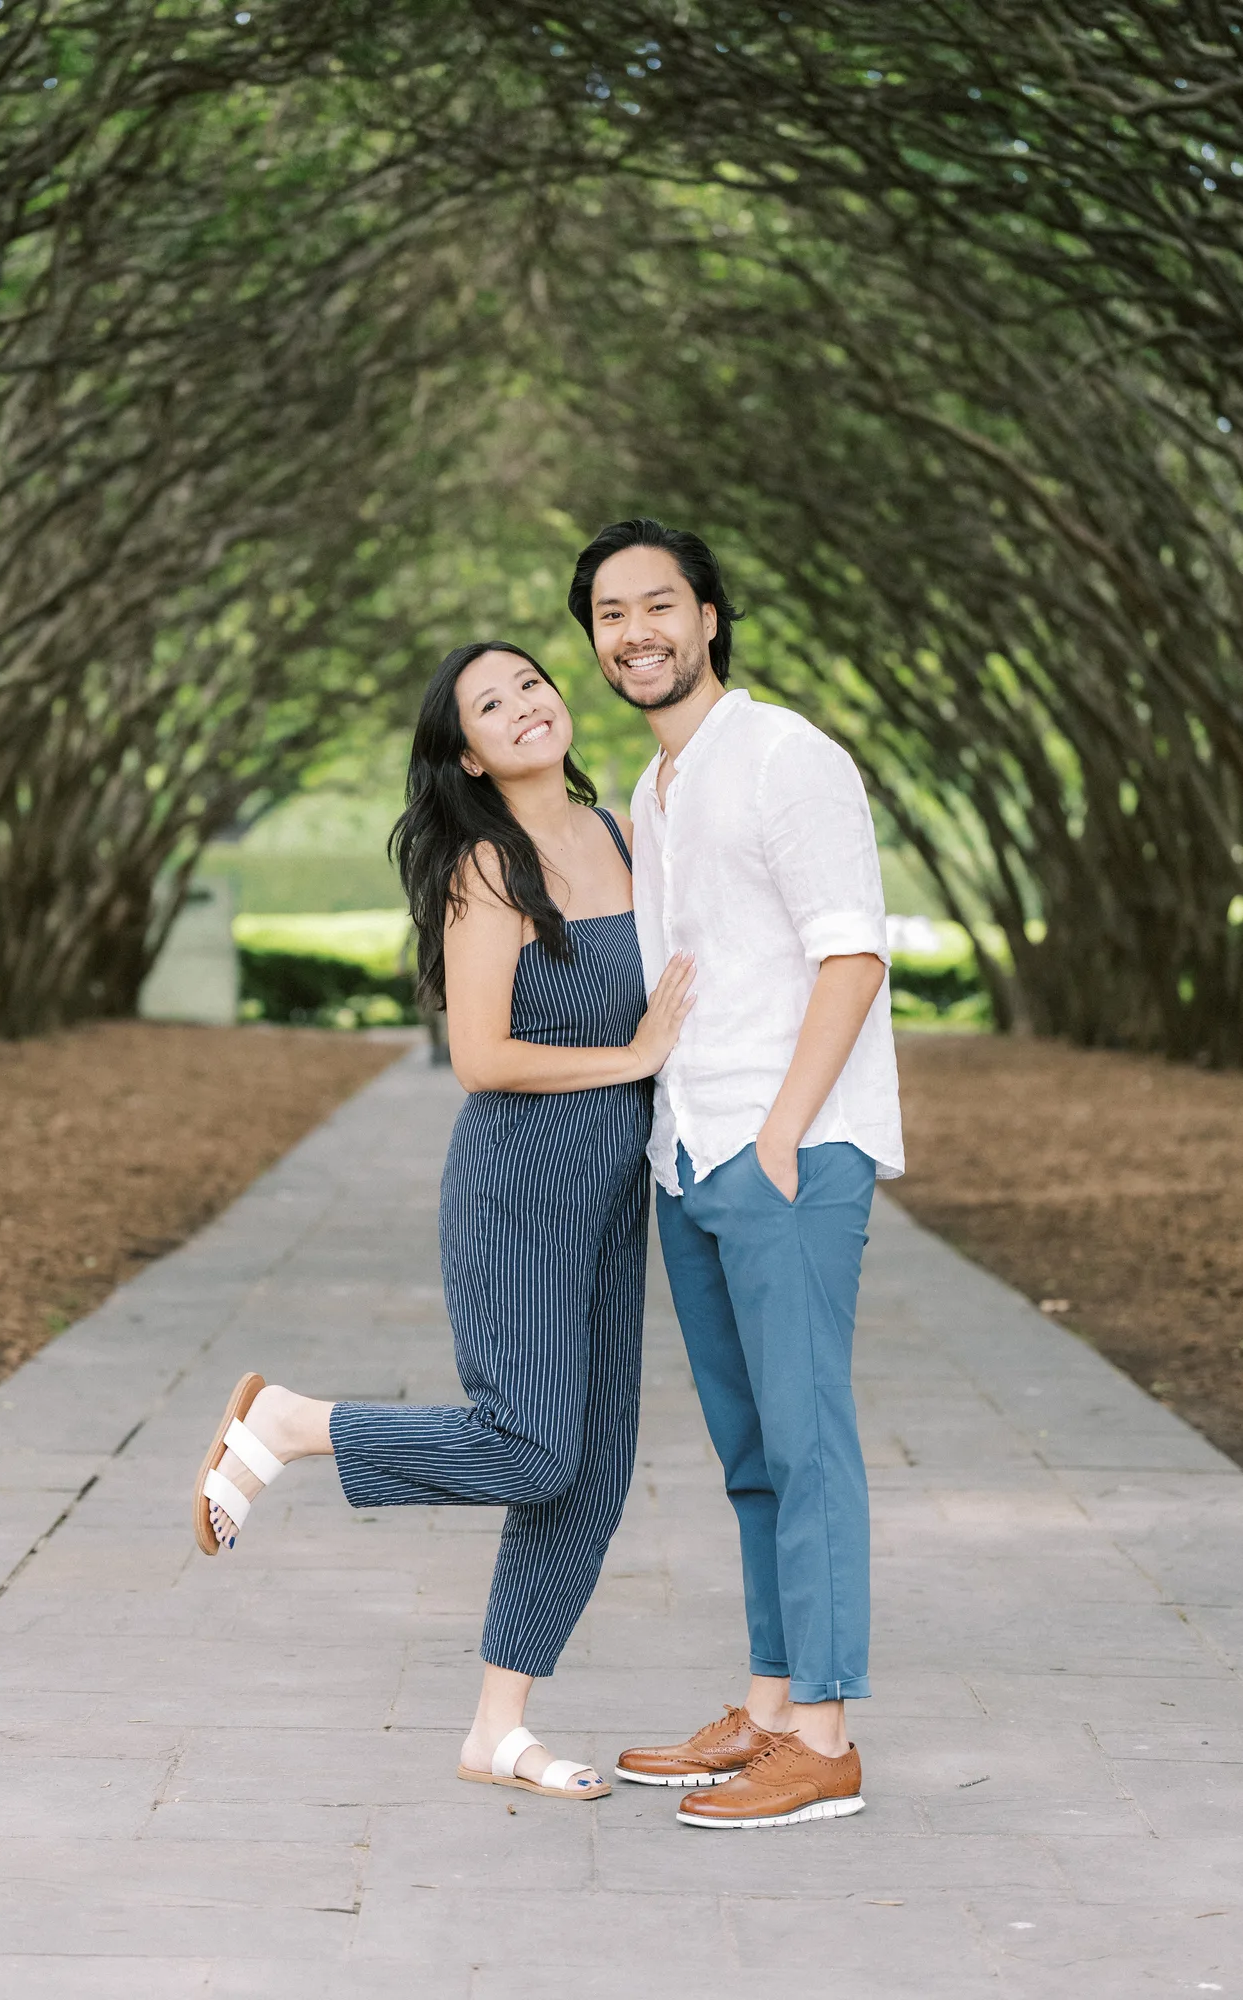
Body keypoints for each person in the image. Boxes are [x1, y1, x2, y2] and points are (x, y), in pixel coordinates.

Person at [192, 639, 694, 1801]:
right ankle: (294, 1419)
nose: (524, 706)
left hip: (615, 1189)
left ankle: (496, 1731)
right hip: (519, 1185)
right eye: (490, 703)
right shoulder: (485, 866)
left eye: (531, 683)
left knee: (592, 1473)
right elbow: (479, 1057)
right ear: (465, 749)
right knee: (529, 1442)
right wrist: (632, 1057)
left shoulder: (622, 833)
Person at [566, 520, 903, 1830]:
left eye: (660, 605)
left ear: (708, 616)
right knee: (752, 1453)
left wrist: (780, 1134)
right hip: (689, 1151)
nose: (635, 632)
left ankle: (822, 1741)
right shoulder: (655, 790)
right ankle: (766, 1711)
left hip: (786, 1150)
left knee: (806, 1443)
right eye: (609, 613)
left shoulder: (784, 756)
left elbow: (852, 957)